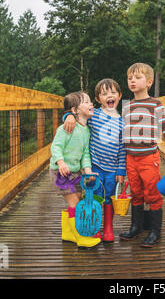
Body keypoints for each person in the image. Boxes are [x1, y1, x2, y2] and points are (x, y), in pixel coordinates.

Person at [119, 62, 165, 247]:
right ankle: (136, 227)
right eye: (130, 78)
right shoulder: (127, 106)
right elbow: (124, 133)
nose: (132, 81)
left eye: (137, 78)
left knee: (153, 193)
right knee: (135, 193)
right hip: (131, 157)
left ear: (149, 82)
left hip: (149, 157)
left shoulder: (156, 104)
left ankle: (155, 231)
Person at [62, 79, 126, 243]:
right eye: (104, 94)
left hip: (112, 169)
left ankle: (109, 229)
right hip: (94, 167)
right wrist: (68, 115)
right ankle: (94, 228)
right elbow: (79, 114)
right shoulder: (94, 115)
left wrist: (121, 171)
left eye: (112, 93)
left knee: (109, 198)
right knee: (94, 197)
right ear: (98, 100)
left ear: (119, 96)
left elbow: (122, 149)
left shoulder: (122, 122)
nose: (109, 96)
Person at [49, 91, 101, 248]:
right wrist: (61, 162)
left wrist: (88, 170)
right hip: (61, 172)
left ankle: (68, 233)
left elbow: (85, 153)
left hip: (76, 172)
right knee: (76, 202)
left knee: (77, 197)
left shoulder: (86, 130)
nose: (91, 104)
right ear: (74, 110)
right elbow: (56, 146)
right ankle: (81, 235)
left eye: (91, 101)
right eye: (86, 102)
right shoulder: (67, 127)